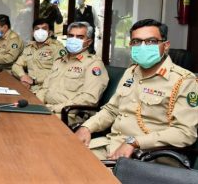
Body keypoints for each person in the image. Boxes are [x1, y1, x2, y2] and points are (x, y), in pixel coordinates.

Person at [75, 19, 198, 161]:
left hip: (149, 157)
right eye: (136, 42)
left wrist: (135, 142)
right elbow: (111, 110)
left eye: (151, 41)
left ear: (165, 46)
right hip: (112, 145)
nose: (143, 46)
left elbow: (185, 133)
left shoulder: (184, 81)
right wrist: (87, 127)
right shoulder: (131, 72)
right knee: (64, 157)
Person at [35, 22, 108, 121]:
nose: (74, 39)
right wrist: (36, 104)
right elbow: (45, 88)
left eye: (79, 37)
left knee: (32, 122)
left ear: (89, 42)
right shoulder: (59, 61)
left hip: (69, 114)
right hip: (47, 108)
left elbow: (88, 99)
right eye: (70, 36)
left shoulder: (93, 64)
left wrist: (54, 108)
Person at [11, 19, 65, 92]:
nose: (40, 31)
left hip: (47, 88)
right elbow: (16, 65)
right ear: (33, 32)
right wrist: (23, 76)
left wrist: (34, 81)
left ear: (50, 32)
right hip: (28, 87)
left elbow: (58, 71)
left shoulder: (57, 48)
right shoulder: (29, 48)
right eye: (37, 29)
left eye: (44, 28)